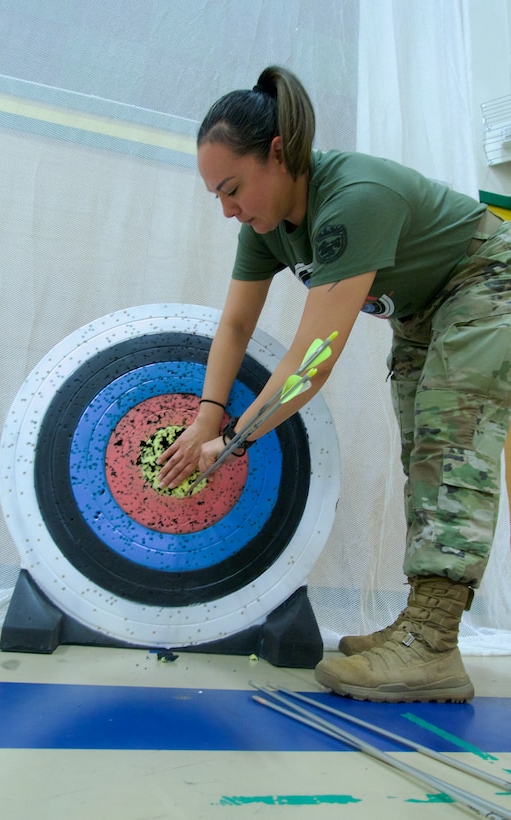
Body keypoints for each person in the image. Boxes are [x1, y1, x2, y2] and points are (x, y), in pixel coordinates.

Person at [157, 65, 511, 703]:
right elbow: (235, 327)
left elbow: (312, 358)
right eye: (217, 197)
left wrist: (232, 442)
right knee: (420, 451)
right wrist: (206, 419)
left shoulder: (353, 199)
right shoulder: (266, 228)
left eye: (233, 188)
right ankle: (424, 623)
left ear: (278, 153)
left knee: (449, 442)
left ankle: (432, 645)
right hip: (423, 307)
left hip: (488, 279)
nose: (229, 209)